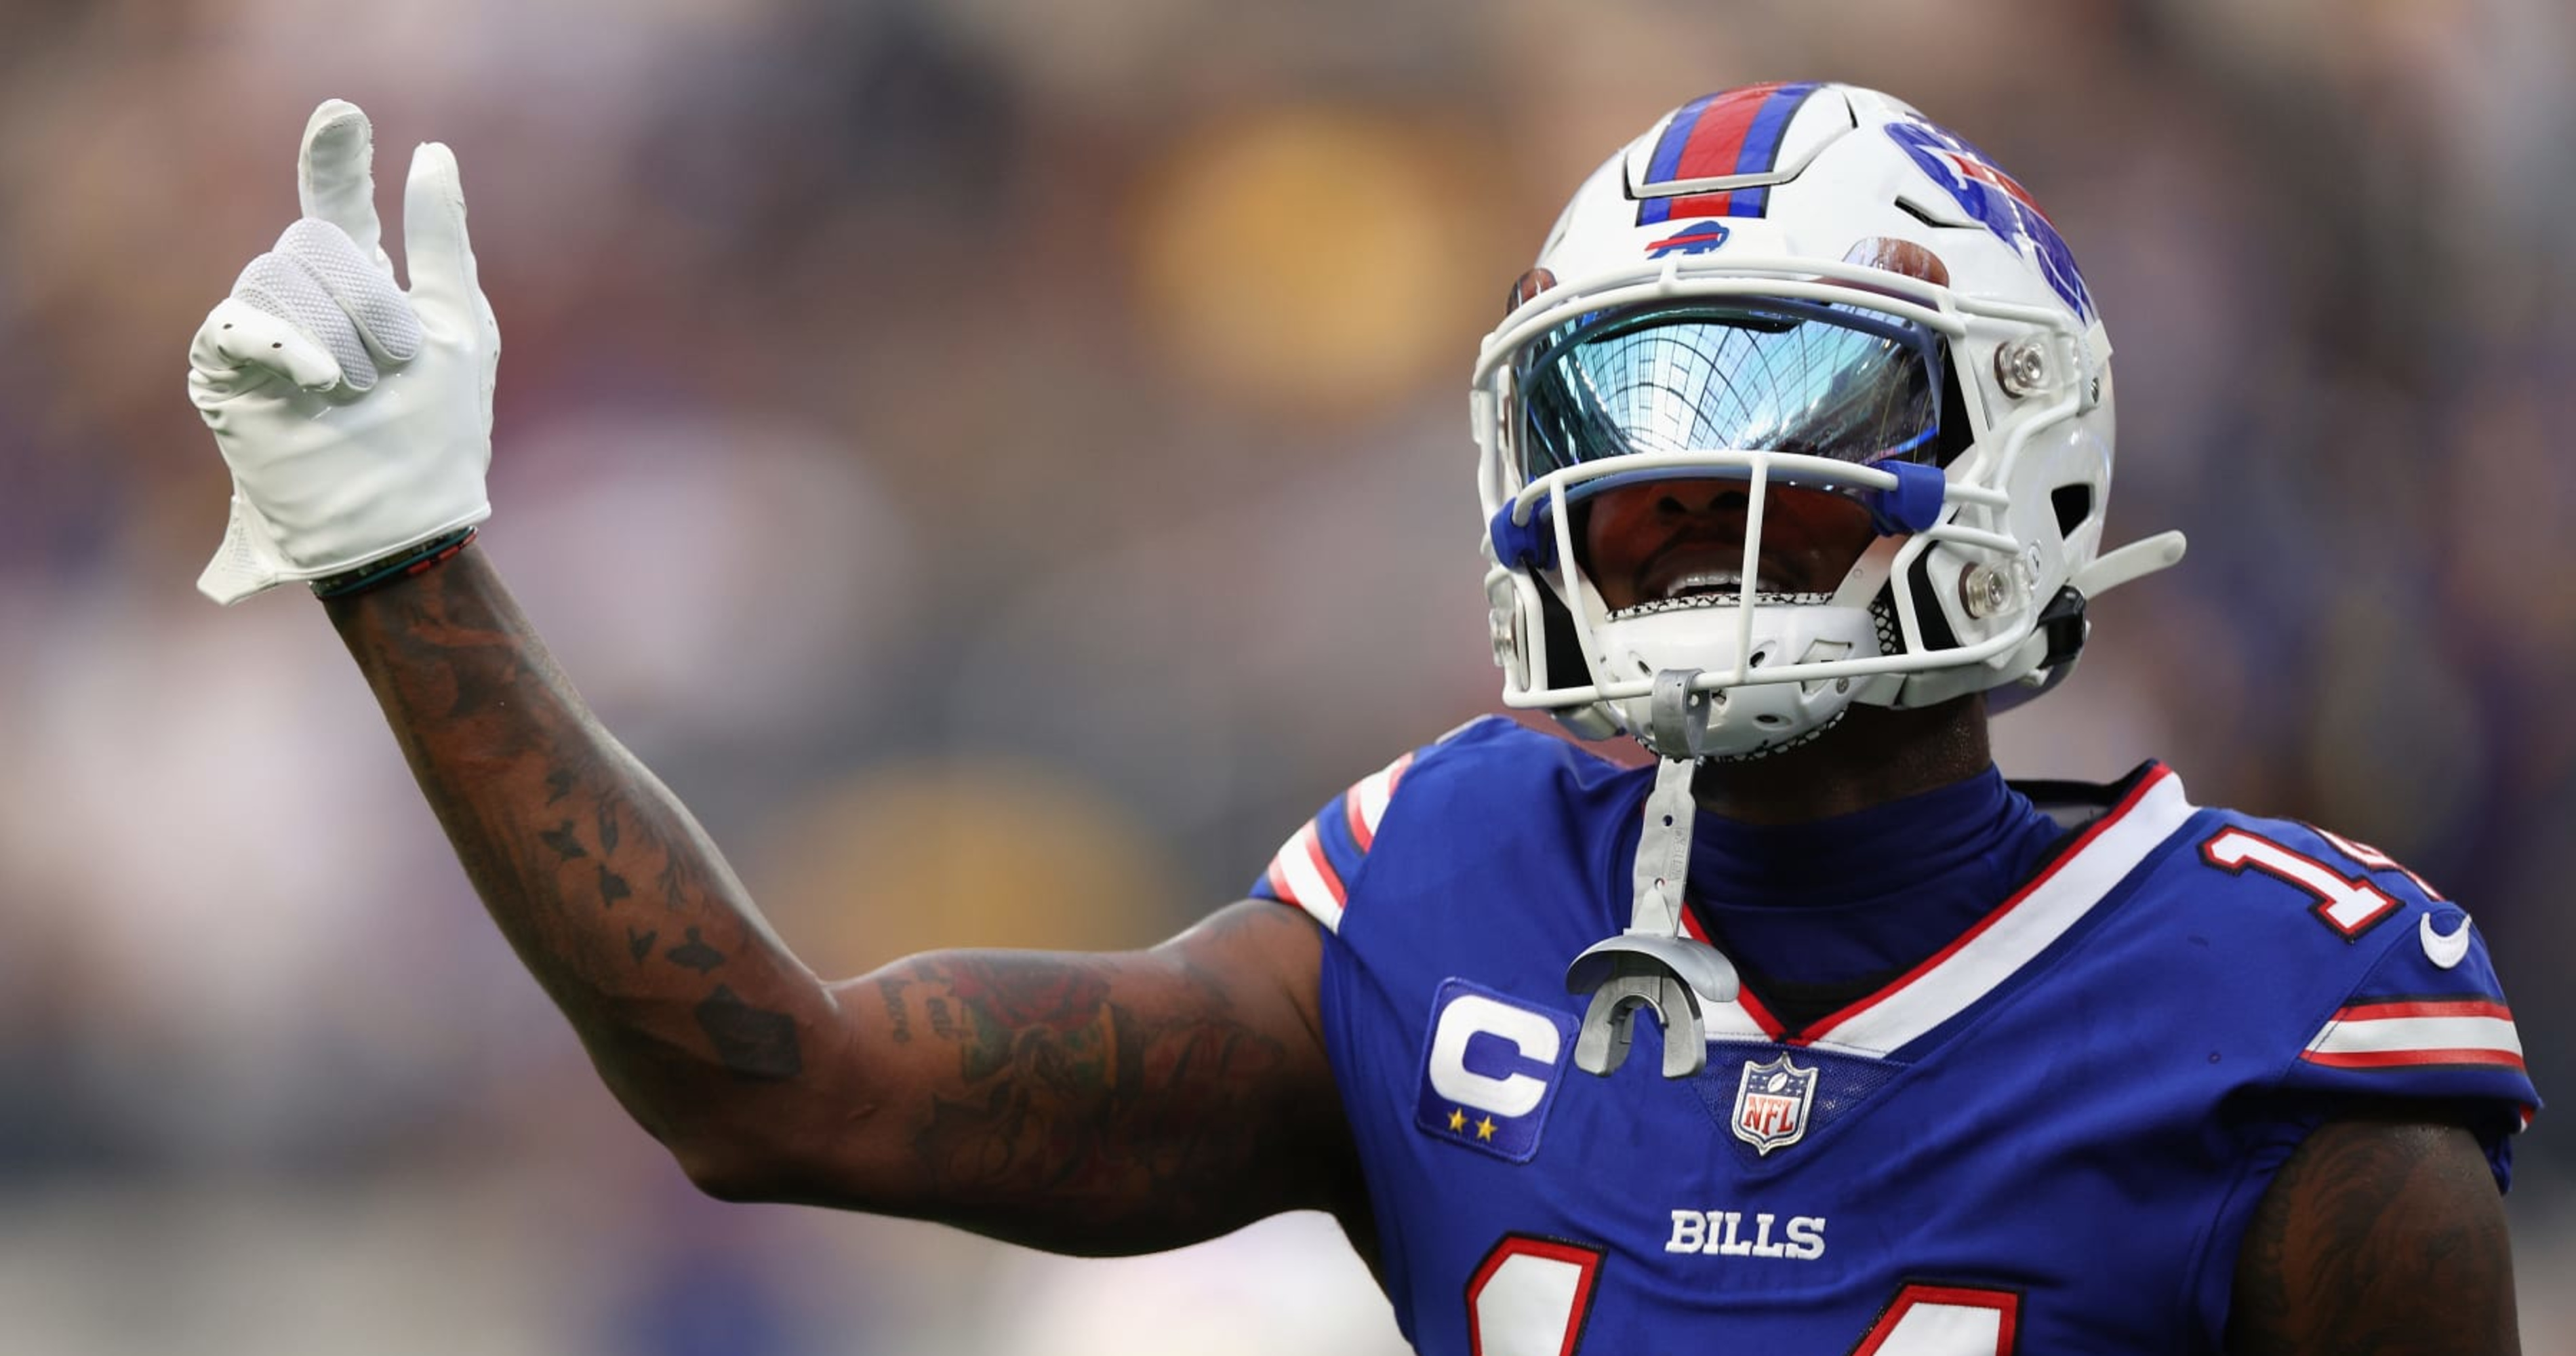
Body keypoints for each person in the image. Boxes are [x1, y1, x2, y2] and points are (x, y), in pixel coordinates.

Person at [188, 85, 2533, 1353]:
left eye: (1782, 440)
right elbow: (774, 1083)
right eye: (1623, 454)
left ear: (2022, 455)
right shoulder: (1447, 892)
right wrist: (404, 563)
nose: (1683, 519)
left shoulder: (2279, 1006)